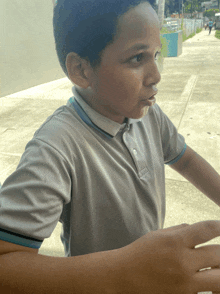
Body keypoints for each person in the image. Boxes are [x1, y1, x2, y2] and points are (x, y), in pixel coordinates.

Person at [0, 0, 220, 293]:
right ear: (80, 69)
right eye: (137, 58)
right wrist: (124, 272)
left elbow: (187, 160)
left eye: (156, 54)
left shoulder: (147, 115)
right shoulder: (57, 147)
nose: (156, 76)